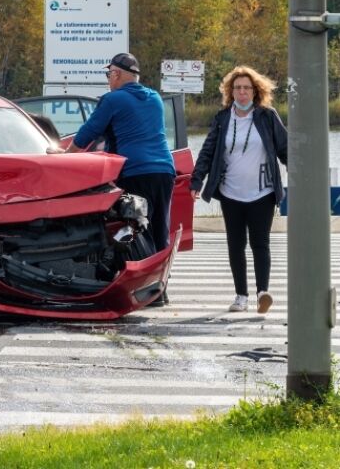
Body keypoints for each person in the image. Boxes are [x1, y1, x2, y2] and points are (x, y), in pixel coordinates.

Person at [189, 66, 287, 313]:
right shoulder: (223, 119)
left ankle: (262, 292)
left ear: (255, 91)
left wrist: (303, 176)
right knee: (235, 244)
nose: (242, 92)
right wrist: (196, 180)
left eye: (246, 88)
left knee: (260, 243)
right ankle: (241, 296)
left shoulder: (267, 116)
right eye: (237, 88)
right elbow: (208, 151)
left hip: (262, 192)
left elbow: (285, 149)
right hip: (230, 192)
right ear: (230, 92)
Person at [66, 53, 177, 263]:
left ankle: (142, 286)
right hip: (164, 171)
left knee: (137, 231)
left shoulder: (113, 99)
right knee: (160, 230)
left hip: (134, 172)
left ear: (116, 74)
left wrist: (64, 158)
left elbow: (87, 133)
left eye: (109, 74)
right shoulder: (155, 98)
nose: (108, 79)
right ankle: (160, 288)